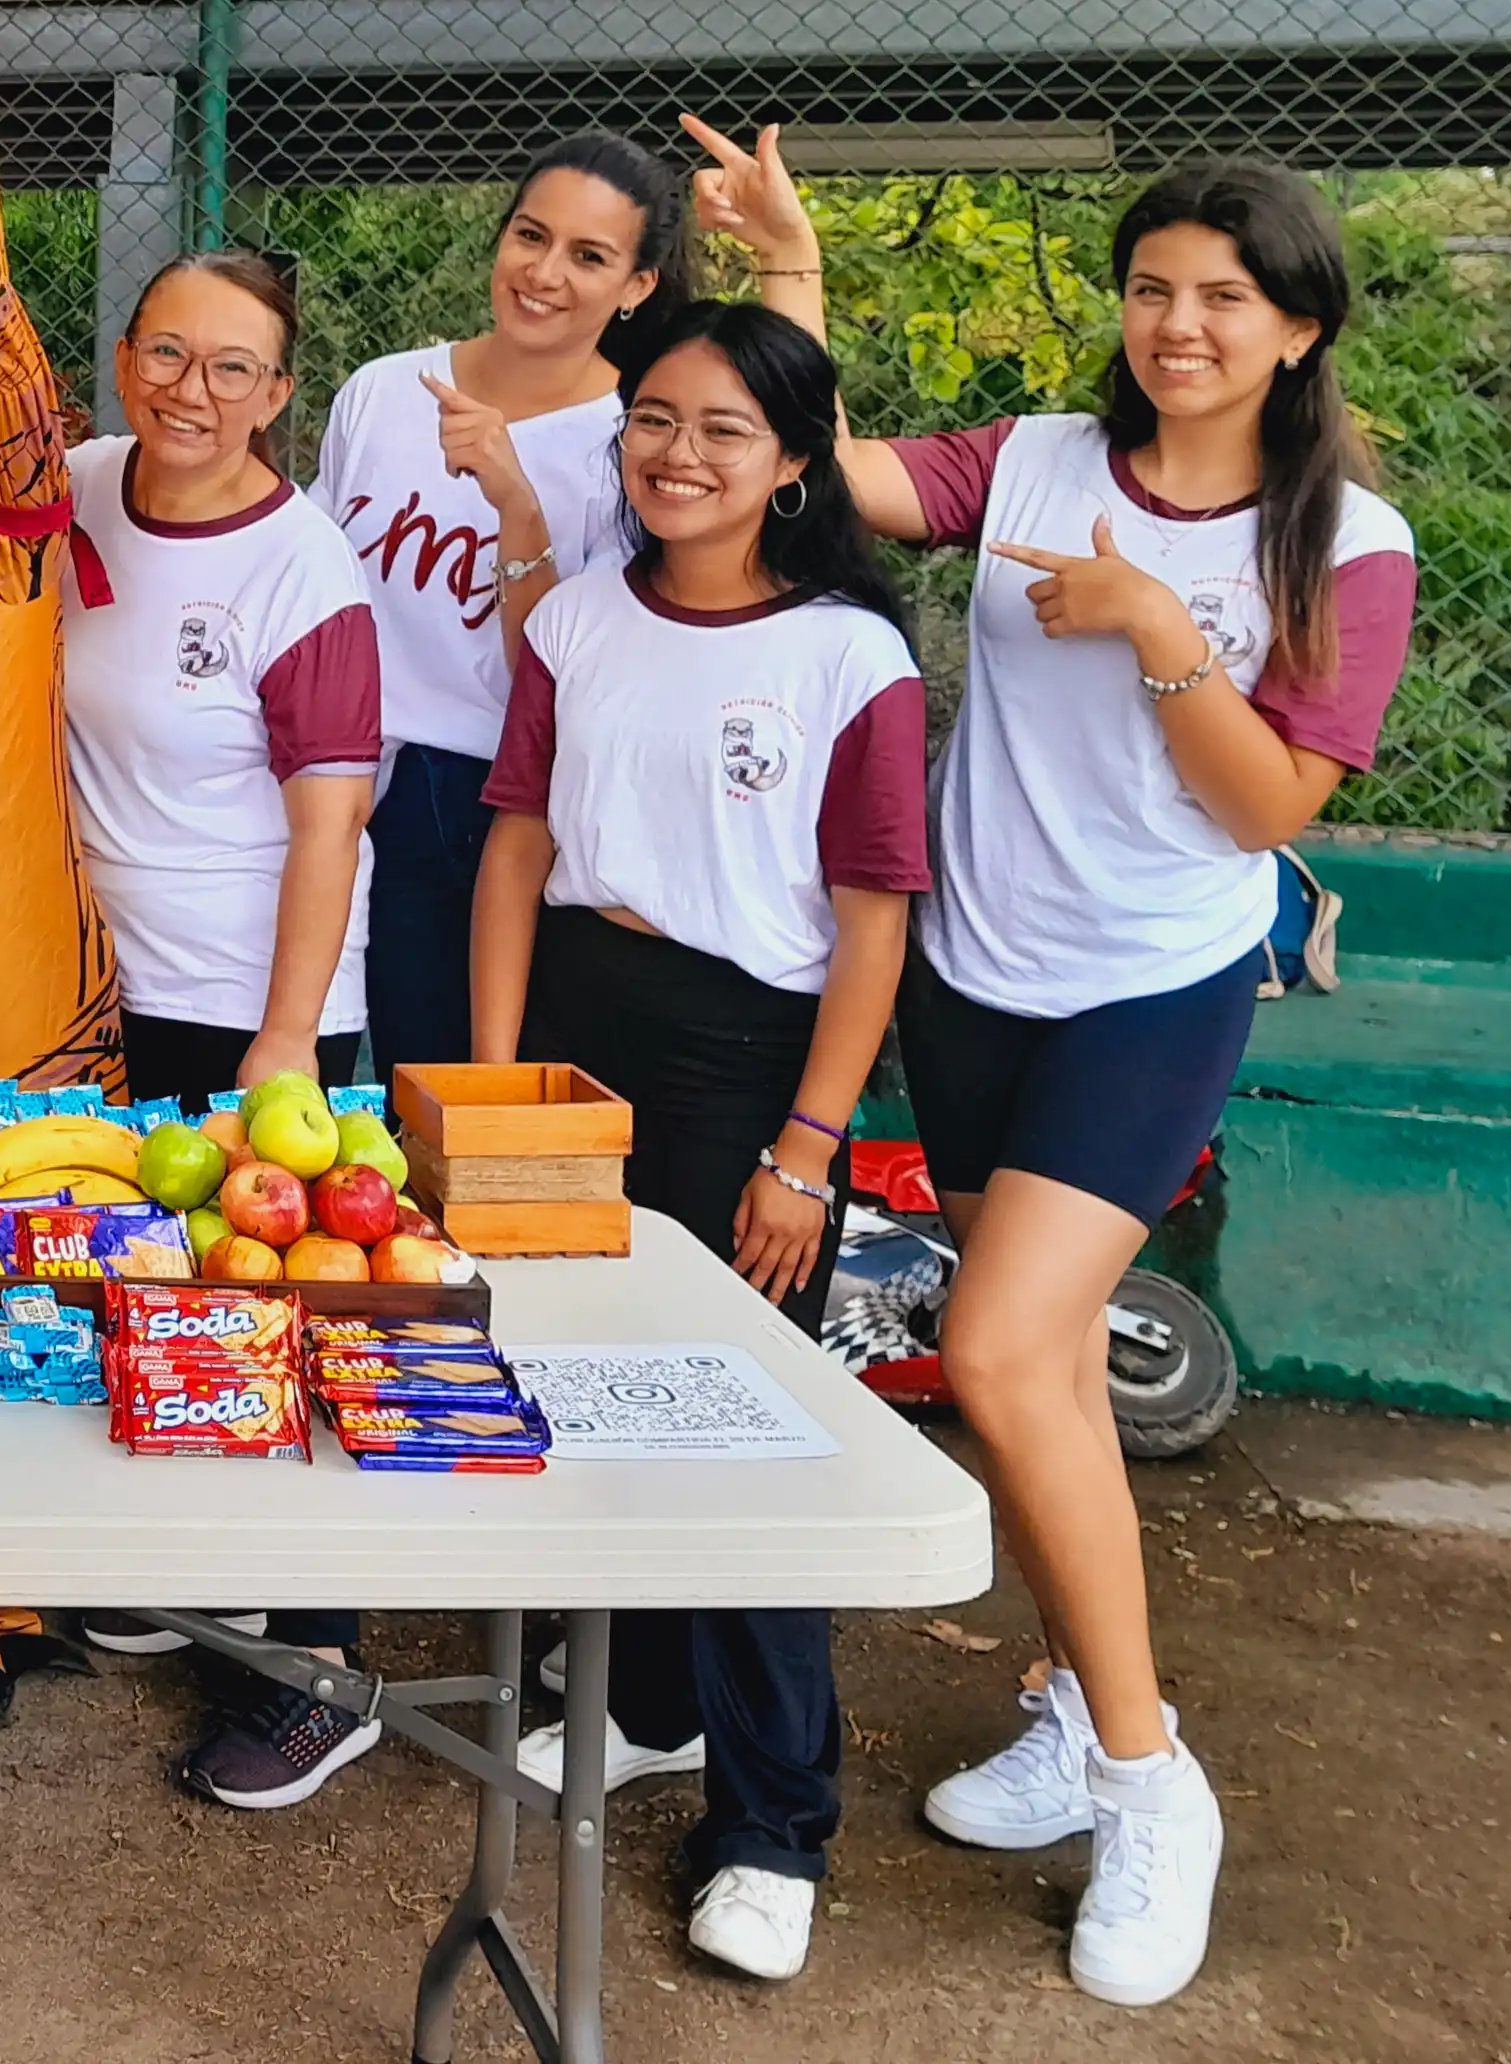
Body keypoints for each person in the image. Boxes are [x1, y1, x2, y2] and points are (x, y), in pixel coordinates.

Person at [709, 143, 1415, 2007]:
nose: (1177, 326)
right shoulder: (1029, 463)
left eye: (1223, 299)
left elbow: (1269, 810)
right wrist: (792, 268)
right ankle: (1060, 1705)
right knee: (1037, 1395)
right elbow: (827, 464)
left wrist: (1172, 642)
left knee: (1012, 1357)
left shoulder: (1344, 542)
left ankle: (1146, 1778)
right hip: (971, 975)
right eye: (1151, 288)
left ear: (1296, 330)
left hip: (1151, 990)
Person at [468, 299, 930, 1986]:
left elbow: (871, 919)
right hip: (578, 1016)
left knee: (741, 1421)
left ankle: (770, 1820)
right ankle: (648, 1708)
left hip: (749, 1051)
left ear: (792, 461)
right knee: (586, 1375)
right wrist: (496, 1083)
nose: (677, 453)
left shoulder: (845, 659)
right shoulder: (576, 618)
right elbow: (514, 845)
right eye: (652, 419)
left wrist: (806, 1148)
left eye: (723, 429)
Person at [57, 251, 392, 1808]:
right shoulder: (74, 493)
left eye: (233, 369)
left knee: (294, 1307)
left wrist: (280, 1041)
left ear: (278, 395)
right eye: (166, 355)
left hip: (250, 992)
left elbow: (325, 829)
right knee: (141, 1284)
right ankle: (182, 1566)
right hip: (85, 978)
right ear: (123, 358)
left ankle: (320, 1666)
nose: (192, 392)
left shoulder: (302, 572)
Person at [313, 134, 718, 1083]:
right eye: (529, 236)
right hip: (329, 776)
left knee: (432, 1092)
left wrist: (513, 499)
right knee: (300, 1081)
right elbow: (322, 601)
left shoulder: (635, 440)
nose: (543, 274)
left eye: (588, 256)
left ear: (636, 286)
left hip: (475, 801)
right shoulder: (381, 390)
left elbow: (563, 678)